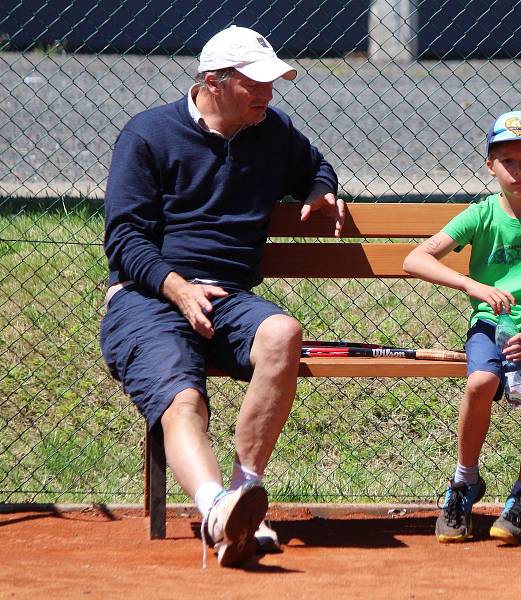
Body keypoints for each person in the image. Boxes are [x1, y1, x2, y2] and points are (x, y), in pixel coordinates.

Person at [100, 25, 345, 567]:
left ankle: (244, 497)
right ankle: (216, 511)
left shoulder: (272, 131)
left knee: (282, 331)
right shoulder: (148, 135)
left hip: (230, 299)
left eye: (272, 81)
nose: (268, 93)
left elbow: (315, 165)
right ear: (213, 81)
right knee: (183, 399)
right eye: (255, 83)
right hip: (148, 296)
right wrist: (178, 288)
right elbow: (123, 238)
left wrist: (320, 190)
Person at [403, 110, 521, 545]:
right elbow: (414, 259)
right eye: (507, 160)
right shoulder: (482, 214)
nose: (519, 169)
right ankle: (464, 482)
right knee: (480, 382)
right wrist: (473, 285)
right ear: (490, 164)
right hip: (490, 325)